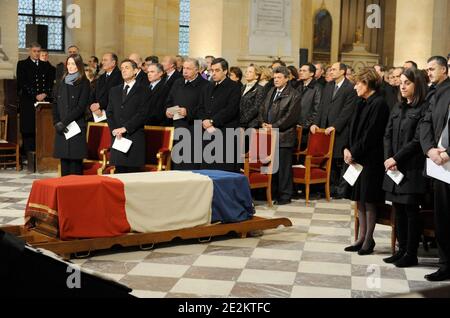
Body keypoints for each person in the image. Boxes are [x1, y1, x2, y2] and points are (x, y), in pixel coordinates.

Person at [383, 68, 429, 267]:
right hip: (393, 168)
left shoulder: (423, 108)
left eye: (407, 83)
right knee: (398, 209)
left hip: (411, 168)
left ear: (417, 85)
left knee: (411, 210)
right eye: (401, 82)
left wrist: (396, 159)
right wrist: (388, 159)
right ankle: (401, 250)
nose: (402, 86)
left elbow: (418, 141)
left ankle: (411, 253)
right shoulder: (398, 107)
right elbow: (387, 134)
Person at [343, 68, 390, 255]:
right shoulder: (360, 102)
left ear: (367, 84)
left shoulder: (379, 104)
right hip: (357, 158)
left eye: (358, 84)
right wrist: (346, 148)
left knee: (369, 200)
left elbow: (371, 134)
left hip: (370, 160)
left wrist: (353, 152)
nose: (355, 87)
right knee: (359, 200)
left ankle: (369, 240)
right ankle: (360, 238)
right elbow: (351, 128)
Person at [420, 56, 450, 281]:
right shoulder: (436, 92)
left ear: (444, 70)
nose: (428, 72)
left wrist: (448, 152)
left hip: (447, 157)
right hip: (439, 163)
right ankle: (445, 263)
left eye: (432, 69)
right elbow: (426, 122)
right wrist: (430, 149)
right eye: (427, 69)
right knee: (443, 215)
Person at [310, 62, 357, 198]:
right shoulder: (329, 86)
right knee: (328, 160)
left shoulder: (350, 87)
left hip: (341, 130)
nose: (330, 71)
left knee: (340, 161)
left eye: (334, 69)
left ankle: (341, 190)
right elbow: (322, 107)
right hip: (326, 131)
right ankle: (329, 188)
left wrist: (335, 126)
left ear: (342, 71)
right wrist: (315, 123)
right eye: (330, 69)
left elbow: (347, 111)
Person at [258, 66, 302, 205]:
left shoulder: (294, 94)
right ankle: (272, 192)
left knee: (283, 168)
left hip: (284, 136)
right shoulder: (272, 91)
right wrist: (263, 122)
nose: (276, 80)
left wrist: (274, 126)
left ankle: (284, 195)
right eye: (275, 78)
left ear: (287, 79)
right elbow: (263, 108)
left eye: (279, 78)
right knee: (271, 166)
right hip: (269, 135)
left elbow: (291, 116)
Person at [198, 58, 241, 172]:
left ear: (225, 71)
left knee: (224, 170)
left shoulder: (234, 87)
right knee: (207, 170)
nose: (214, 73)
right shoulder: (207, 87)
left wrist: (212, 121)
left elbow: (231, 110)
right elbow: (201, 107)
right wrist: (204, 121)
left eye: (217, 70)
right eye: (212, 70)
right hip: (208, 132)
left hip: (226, 132)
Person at [165, 58, 208, 170]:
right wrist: (168, 110)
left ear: (197, 70)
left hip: (194, 129)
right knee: (177, 163)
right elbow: (169, 100)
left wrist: (188, 112)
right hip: (177, 126)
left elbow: (204, 108)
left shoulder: (205, 85)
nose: (185, 71)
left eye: (188, 68)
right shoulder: (178, 82)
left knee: (190, 163)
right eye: (184, 68)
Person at [106, 59, 147, 174]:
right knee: (119, 175)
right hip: (118, 137)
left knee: (133, 176)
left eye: (127, 68)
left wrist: (125, 128)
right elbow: (109, 112)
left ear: (135, 71)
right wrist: (114, 129)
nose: (123, 70)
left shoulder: (143, 89)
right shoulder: (114, 90)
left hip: (133, 136)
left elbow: (142, 114)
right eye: (122, 68)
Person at [52, 54, 90, 176]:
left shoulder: (84, 82)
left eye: (73, 64)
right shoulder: (61, 82)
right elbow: (55, 103)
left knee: (75, 163)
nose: (70, 66)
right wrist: (56, 122)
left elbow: (81, 106)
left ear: (79, 65)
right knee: (64, 161)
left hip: (76, 127)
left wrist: (64, 121)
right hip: (62, 127)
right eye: (68, 64)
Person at [16, 42, 54, 157]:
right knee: (29, 129)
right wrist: (35, 95)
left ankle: (42, 156)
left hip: (43, 102)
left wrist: (45, 93)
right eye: (34, 51)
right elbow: (22, 83)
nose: (37, 53)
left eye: (38, 51)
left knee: (42, 129)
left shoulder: (46, 66)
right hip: (28, 102)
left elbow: (50, 83)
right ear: (29, 51)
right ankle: (29, 157)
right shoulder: (22, 64)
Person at [89, 53, 123, 120]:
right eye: (102, 60)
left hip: (113, 115)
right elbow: (93, 94)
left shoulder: (120, 76)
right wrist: (93, 106)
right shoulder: (101, 77)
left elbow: (116, 96)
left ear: (113, 62)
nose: (102, 62)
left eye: (105, 60)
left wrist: (100, 105)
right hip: (97, 114)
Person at [298, 63, 322, 148]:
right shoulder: (298, 86)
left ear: (312, 74)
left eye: (304, 71)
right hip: (295, 127)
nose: (301, 72)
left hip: (306, 129)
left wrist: (305, 126)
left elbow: (317, 110)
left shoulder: (317, 88)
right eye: (300, 70)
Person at [240, 64, 265, 129]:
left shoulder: (260, 89)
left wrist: (243, 120)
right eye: (246, 71)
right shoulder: (243, 87)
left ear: (256, 76)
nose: (247, 73)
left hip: (252, 125)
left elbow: (256, 108)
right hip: (240, 123)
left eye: (250, 72)